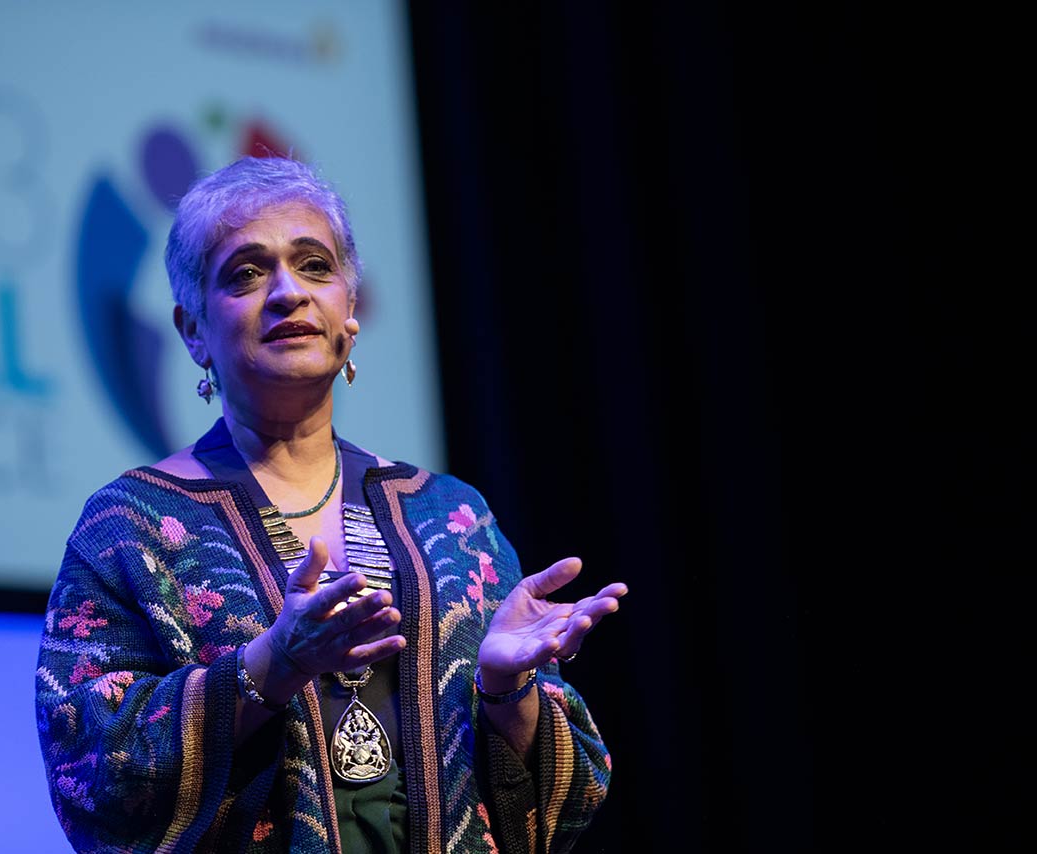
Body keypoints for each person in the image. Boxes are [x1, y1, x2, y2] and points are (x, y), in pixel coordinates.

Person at [36, 156, 628, 853]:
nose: (288, 292)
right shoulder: (129, 526)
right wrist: (269, 668)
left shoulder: (451, 518)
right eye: (246, 273)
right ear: (192, 328)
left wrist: (505, 689)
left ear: (349, 311)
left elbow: (572, 796)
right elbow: (89, 768)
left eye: (314, 266)